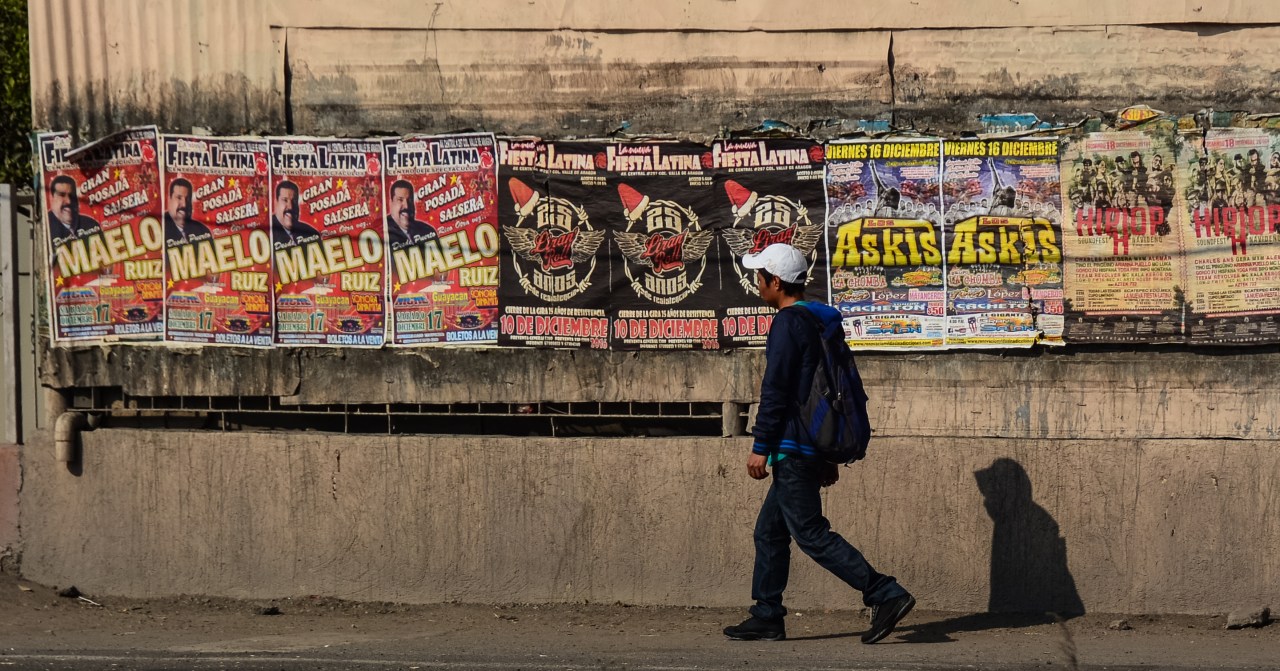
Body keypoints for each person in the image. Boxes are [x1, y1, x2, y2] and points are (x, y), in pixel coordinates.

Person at [723, 243, 914, 645]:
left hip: (792, 447)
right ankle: (767, 615)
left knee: (810, 532)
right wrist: (827, 456)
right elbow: (825, 388)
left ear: (776, 282)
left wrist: (761, 446)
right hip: (809, 446)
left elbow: (776, 389)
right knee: (769, 532)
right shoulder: (819, 321)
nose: (757, 283)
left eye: (760, 277)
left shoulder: (787, 323)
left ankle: (885, 592)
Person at [46, 174, 98, 246]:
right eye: (62, 195)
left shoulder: (91, 224)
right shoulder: (45, 228)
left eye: (72, 195)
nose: (69, 201)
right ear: (51, 199)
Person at [386, 179, 439, 250]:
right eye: (400, 200)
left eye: (410, 200)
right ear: (391, 203)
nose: (406, 206)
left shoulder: (428, 231)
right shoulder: (382, 232)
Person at [271, 180, 321, 249]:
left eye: (294, 201)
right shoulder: (267, 232)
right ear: (276, 203)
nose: (290, 207)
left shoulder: (312, 234)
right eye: (285, 200)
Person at [163, 178, 212, 246]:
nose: (184, 204)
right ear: (169, 200)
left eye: (188, 199)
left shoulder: (203, 231)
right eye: (179, 198)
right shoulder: (160, 227)